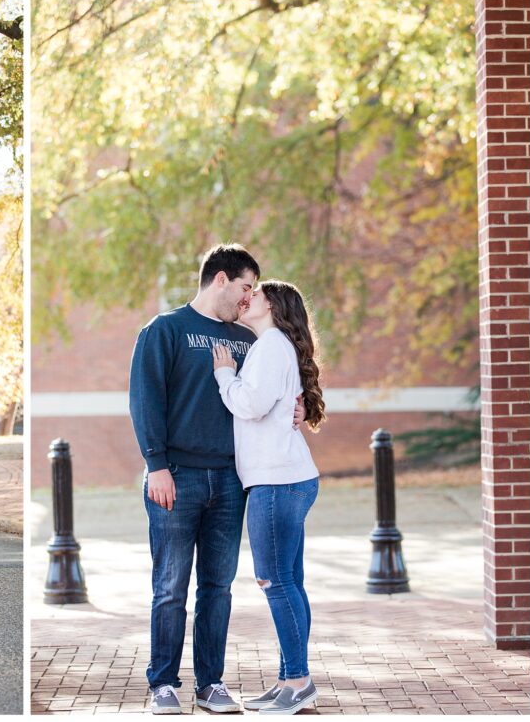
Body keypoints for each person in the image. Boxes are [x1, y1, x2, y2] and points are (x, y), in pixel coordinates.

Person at [129, 244, 304, 715]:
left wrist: (297, 404)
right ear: (221, 279)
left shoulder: (248, 340)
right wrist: (156, 464)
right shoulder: (165, 329)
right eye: (246, 287)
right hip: (177, 476)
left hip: (230, 479)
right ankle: (163, 684)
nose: (249, 299)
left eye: (254, 292)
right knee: (170, 587)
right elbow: (145, 400)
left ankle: (211, 684)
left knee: (218, 587)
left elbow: (267, 391)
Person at [212, 280, 325, 716]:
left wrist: (225, 375)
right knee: (289, 583)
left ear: (273, 306)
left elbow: (252, 404)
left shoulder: (271, 345)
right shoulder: (273, 346)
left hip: (277, 482)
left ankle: (298, 682)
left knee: (274, 582)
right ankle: (289, 680)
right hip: (286, 478)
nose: (247, 298)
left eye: (255, 294)